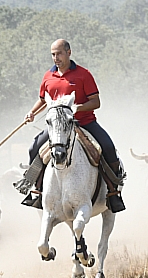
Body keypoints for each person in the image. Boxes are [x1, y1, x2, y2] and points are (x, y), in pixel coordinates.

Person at [18, 38, 126, 212]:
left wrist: (76, 108)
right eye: (53, 54)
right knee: (34, 148)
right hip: (59, 127)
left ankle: (113, 192)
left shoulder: (84, 74)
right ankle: (36, 190)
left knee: (108, 147)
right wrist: (32, 113)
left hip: (85, 123)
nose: (56, 58)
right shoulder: (48, 76)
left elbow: (96, 101)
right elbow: (42, 100)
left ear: (69, 52)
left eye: (59, 53)